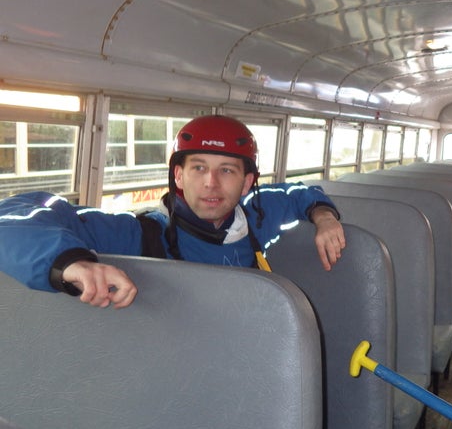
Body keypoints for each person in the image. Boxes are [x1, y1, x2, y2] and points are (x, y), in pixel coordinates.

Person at [0, 114, 346, 309]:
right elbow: (15, 215)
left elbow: (299, 191)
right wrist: (68, 262)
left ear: (246, 182)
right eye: (198, 168)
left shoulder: (257, 214)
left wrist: (324, 216)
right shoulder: (142, 234)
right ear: (178, 176)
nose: (211, 183)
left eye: (226, 170)